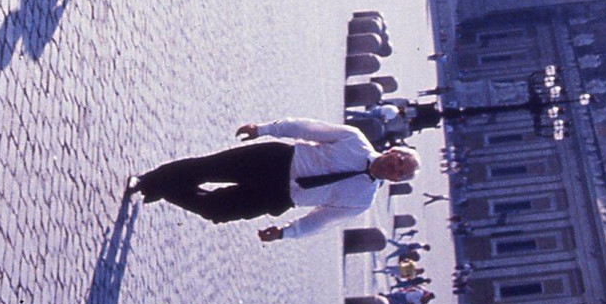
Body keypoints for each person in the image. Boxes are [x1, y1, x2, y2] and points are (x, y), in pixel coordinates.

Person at [124, 119, 419, 240]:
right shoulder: (354, 139)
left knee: (216, 211)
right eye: (399, 159)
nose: (396, 166)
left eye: (400, 171)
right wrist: (264, 129)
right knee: (206, 168)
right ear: (392, 149)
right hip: (274, 161)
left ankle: (164, 187)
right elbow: (307, 128)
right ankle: (147, 182)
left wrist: (286, 233)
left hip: (280, 198)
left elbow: (321, 219)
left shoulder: (362, 201)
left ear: (395, 181)